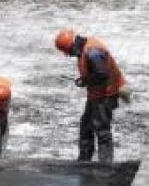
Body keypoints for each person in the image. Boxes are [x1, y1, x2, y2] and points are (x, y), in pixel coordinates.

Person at [54, 29, 131, 164]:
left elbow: (102, 74)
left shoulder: (93, 51)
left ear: (72, 46)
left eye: (69, 52)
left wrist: (85, 81)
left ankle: (105, 165)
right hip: (97, 94)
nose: (70, 55)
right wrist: (85, 80)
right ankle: (84, 161)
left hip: (106, 95)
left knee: (102, 129)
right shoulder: (86, 48)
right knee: (86, 126)